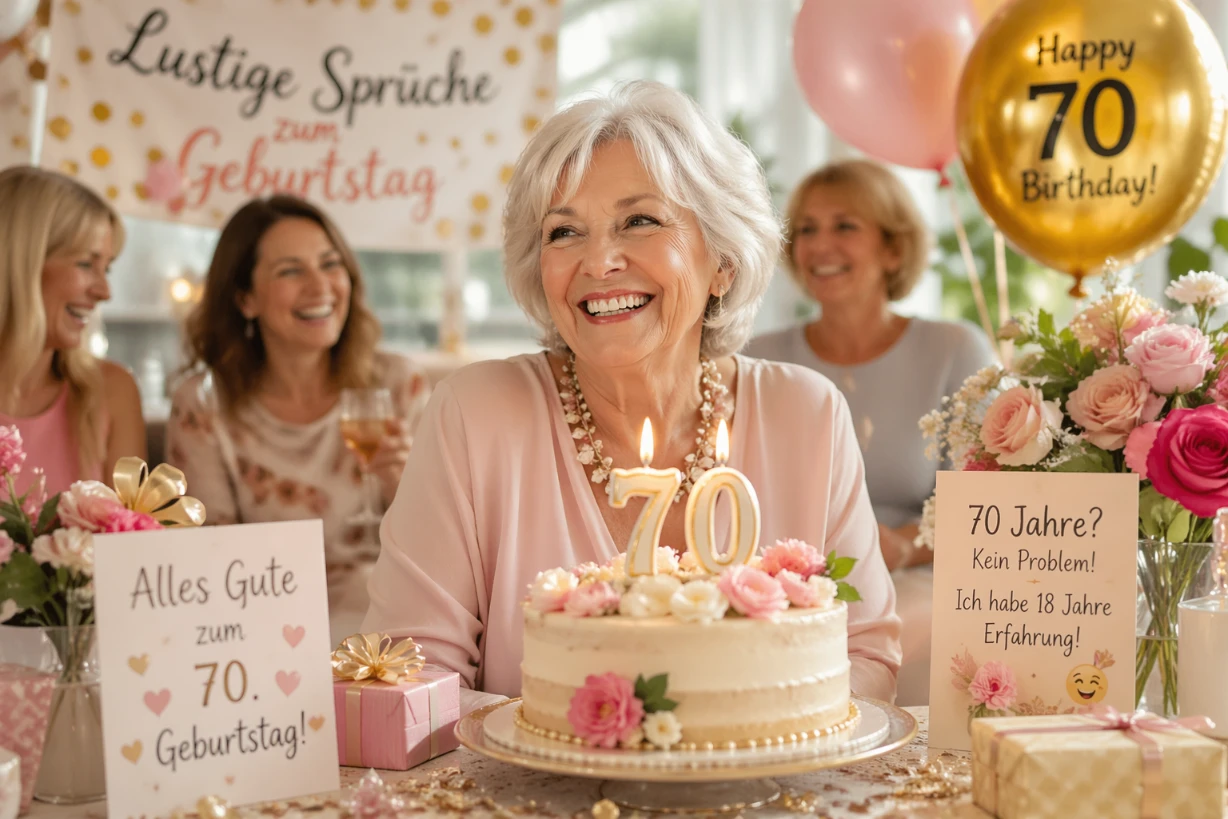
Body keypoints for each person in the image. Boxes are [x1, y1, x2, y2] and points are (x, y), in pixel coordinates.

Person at [364, 81, 902, 703]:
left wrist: (719, 743)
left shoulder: (807, 415)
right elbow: (407, 674)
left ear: (722, 260)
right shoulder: (474, 415)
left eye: (639, 221)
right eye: (563, 233)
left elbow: (865, 653)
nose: (598, 262)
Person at [745, 160, 997, 705]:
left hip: (916, 580)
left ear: (893, 249)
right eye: (807, 229)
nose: (819, 245)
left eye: (845, 226)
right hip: (791, 588)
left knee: (899, 625)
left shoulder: (954, 349)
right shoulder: (759, 357)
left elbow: (985, 506)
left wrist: (899, 549)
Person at [167, 195, 428, 645]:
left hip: (391, 628)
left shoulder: (398, 386)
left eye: (330, 264)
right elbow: (207, 561)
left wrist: (401, 486)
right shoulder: (203, 405)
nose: (320, 286)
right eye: (290, 271)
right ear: (245, 299)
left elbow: (444, 555)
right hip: (264, 632)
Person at [0, 166, 145, 497]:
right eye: (85, 264)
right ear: (19, 263)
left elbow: (134, 544)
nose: (104, 291)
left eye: (105, 268)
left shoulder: (112, 392)